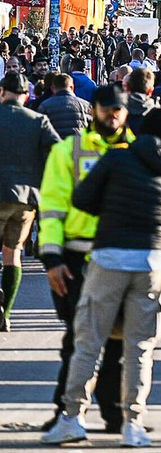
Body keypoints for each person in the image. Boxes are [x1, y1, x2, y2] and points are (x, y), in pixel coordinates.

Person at [42, 108, 161, 449]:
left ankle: (72, 418)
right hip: (156, 258)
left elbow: (82, 198)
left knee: (88, 341)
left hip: (110, 253)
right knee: (139, 347)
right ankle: (132, 423)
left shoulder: (118, 158)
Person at [38, 83, 135, 434]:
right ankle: (65, 411)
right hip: (77, 258)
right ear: (93, 109)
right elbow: (51, 207)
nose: (113, 114)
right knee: (77, 340)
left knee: (118, 341)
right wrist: (51, 258)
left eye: (118, 109)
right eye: (106, 108)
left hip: (123, 256)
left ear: (126, 112)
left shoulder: (139, 150)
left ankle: (113, 413)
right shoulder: (70, 151)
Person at [0, 70, 60, 330]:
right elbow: (58, 151)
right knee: (12, 254)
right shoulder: (39, 121)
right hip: (25, 198)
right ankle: (8, 312)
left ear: (2, 92)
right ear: (26, 96)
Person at [37, 73, 91, 139]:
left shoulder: (44, 106)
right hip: (78, 146)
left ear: (53, 89)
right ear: (72, 87)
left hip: (55, 146)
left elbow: (40, 130)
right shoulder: (85, 105)